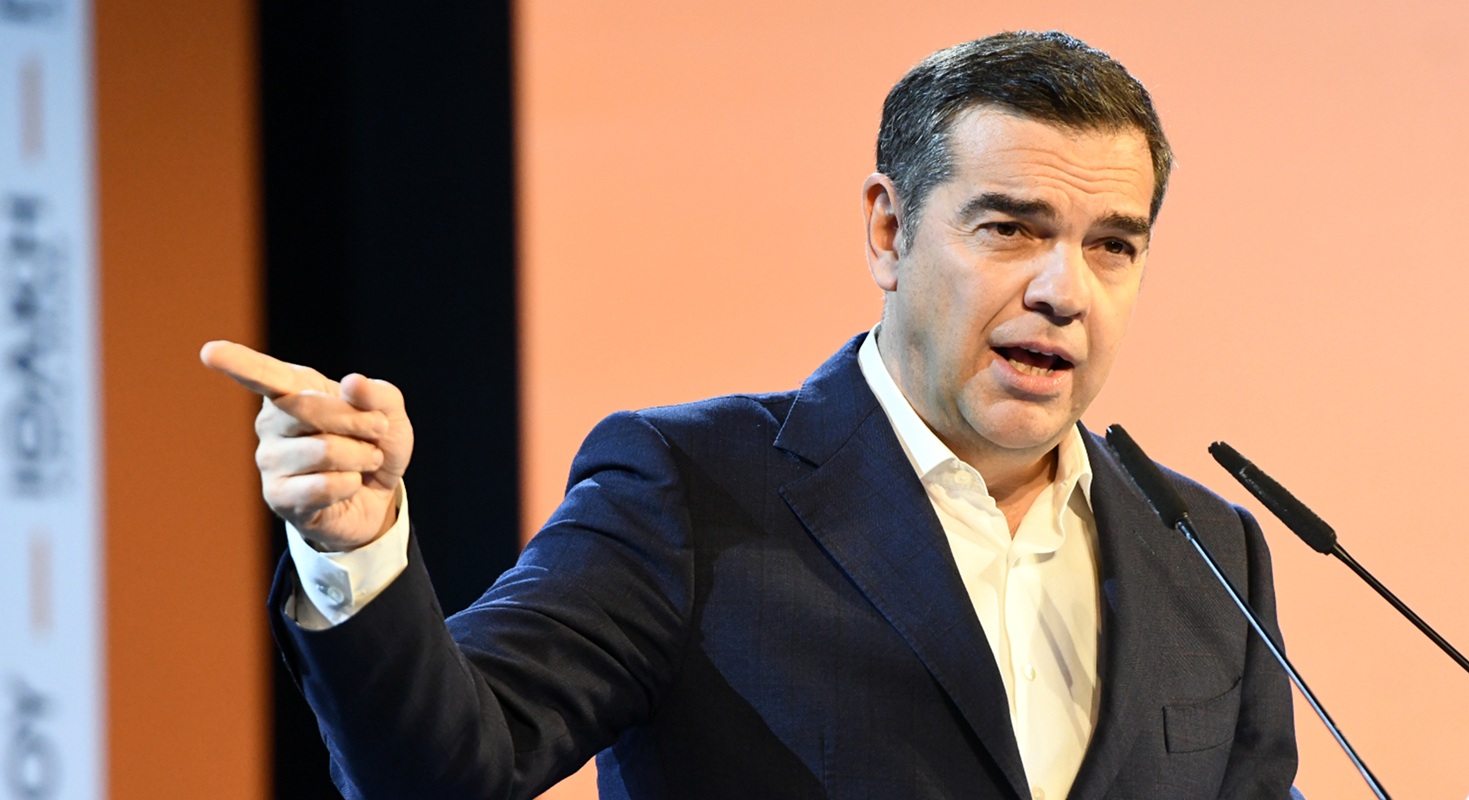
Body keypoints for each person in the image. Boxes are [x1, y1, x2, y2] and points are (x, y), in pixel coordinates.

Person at [203, 30, 1298, 799]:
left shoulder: (1206, 553)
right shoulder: (686, 487)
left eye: (1112, 245)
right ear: (888, 231)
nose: (1065, 290)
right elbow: (442, 774)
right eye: (1010, 228)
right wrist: (356, 555)